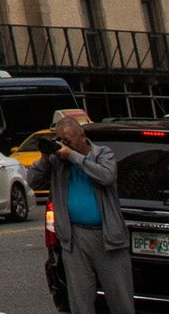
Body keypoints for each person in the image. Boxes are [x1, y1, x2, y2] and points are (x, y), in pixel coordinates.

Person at [41, 109, 131, 314]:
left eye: (68, 140)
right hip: (74, 238)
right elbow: (33, 181)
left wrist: (74, 157)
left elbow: (106, 176)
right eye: (60, 140)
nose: (64, 145)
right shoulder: (58, 162)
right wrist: (45, 158)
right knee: (80, 302)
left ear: (82, 137)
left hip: (107, 236)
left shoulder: (102, 154)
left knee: (120, 301)